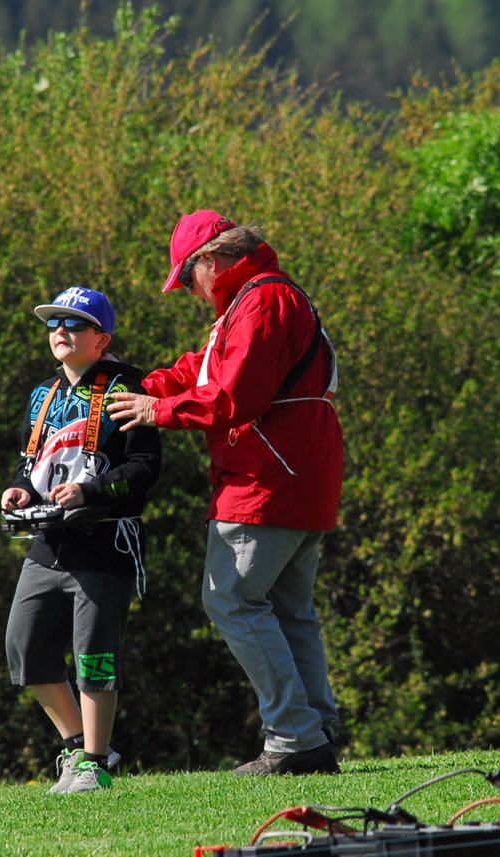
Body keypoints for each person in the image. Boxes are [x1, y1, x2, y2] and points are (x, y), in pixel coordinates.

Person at [107, 211, 343, 775]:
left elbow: (234, 395)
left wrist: (156, 410)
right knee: (288, 609)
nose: (190, 292)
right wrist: (139, 384)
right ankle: (315, 732)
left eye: (187, 278)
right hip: (299, 473)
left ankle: (294, 738)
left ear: (209, 260)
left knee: (231, 598)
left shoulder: (261, 302)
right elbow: (204, 369)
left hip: (266, 475)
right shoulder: (259, 299)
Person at [1, 285, 161, 794]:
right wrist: (21, 491)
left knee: (94, 656)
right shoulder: (42, 394)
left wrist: (90, 491)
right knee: (24, 645)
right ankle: (77, 747)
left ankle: (95, 763)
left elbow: (145, 467)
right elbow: (35, 468)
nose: (60, 332)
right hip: (49, 542)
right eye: (53, 324)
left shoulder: (129, 386)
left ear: (102, 338)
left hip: (105, 541)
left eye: (74, 324)